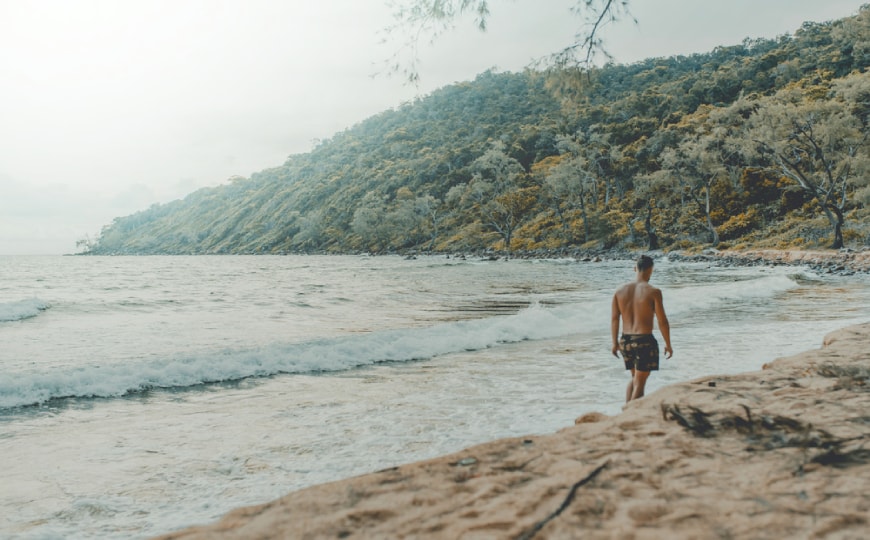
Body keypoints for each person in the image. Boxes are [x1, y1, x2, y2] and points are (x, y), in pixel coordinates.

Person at [611, 255, 673, 403]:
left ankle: (625, 414)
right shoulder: (653, 291)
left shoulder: (619, 291)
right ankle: (631, 416)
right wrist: (668, 344)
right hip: (644, 340)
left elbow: (614, 318)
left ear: (635, 268)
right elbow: (662, 321)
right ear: (650, 270)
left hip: (625, 340)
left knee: (635, 378)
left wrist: (614, 343)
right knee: (640, 382)